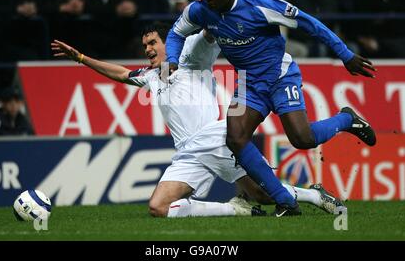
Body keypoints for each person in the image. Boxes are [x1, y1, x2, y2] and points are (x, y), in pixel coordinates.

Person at [51, 22, 344, 218]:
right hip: (188, 153)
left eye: (153, 43)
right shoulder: (151, 76)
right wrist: (80, 57)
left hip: (217, 139)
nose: (148, 50)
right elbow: (119, 73)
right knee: (158, 207)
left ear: (169, 43)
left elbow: (208, 34)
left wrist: (202, 8)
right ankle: (235, 210)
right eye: (145, 46)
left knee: (266, 195)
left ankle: (312, 195)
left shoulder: (191, 58)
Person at [165, 0, 376, 216]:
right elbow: (175, 33)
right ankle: (286, 201)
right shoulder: (201, 10)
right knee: (235, 137)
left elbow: (309, 23)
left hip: (279, 76)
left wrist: (345, 54)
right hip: (249, 83)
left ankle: (347, 119)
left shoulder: (258, 4)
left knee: (302, 139)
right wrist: (171, 59)